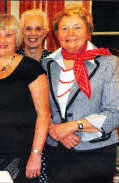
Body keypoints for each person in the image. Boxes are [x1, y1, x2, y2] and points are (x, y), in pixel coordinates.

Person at [42, 7, 119, 183]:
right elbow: (40, 108)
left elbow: (115, 113)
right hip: (57, 153)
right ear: (56, 34)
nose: (71, 33)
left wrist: (73, 126)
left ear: (88, 32)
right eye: (64, 28)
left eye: (77, 27)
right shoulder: (47, 65)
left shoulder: (109, 63)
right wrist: (55, 131)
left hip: (96, 155)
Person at [0, 14, 50, 182]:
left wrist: (36, 155)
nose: (3, 40)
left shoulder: (31, 68)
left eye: (9, 35)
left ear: (17, 38)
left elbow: (44, 115)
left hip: (21, 157)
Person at [17, 9, 52, 183]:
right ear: (20, 31)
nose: (33, 34)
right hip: (16, 141)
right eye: (28, 28)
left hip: (49, 142)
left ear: (45, 33)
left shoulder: (55, 63)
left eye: (38, 29)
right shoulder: (11, 63)